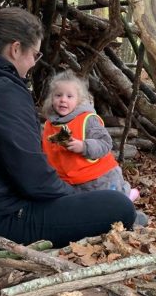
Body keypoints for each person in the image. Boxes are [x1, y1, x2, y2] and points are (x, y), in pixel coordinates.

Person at [0, 7, 144, 247]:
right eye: (35, 54)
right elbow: (34, 179)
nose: (34, 63)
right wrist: (77, 198)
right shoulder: (3, 91)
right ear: (15, 49)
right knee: (120, 207)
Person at [42, 70, 140, 201]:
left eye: (69, 96)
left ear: (79, 100)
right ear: (51, 98)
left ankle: (127, 198)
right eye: (58, 95)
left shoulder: (87, 119)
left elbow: (105, 143)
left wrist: (84, 146)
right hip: (70, 183)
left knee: (112, 203)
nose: (63, 100)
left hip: (99, 178)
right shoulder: (49, 124)